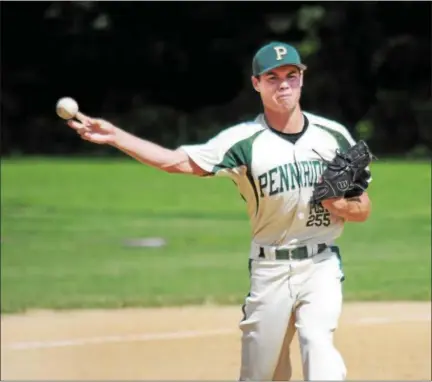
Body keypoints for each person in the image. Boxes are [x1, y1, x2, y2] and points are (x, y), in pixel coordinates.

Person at [67, 41, 372, 381]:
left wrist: (341, 204)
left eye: (291, 75)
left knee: (318, 345)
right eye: (272, 77)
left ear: (302, 78)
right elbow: (176, 162)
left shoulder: (334, 136)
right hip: (270, 269)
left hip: (321, 265)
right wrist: (115, 137)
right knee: (263, 374)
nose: (283, 84)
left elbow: (363, 207)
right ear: (257, 83)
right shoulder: (242, 142)